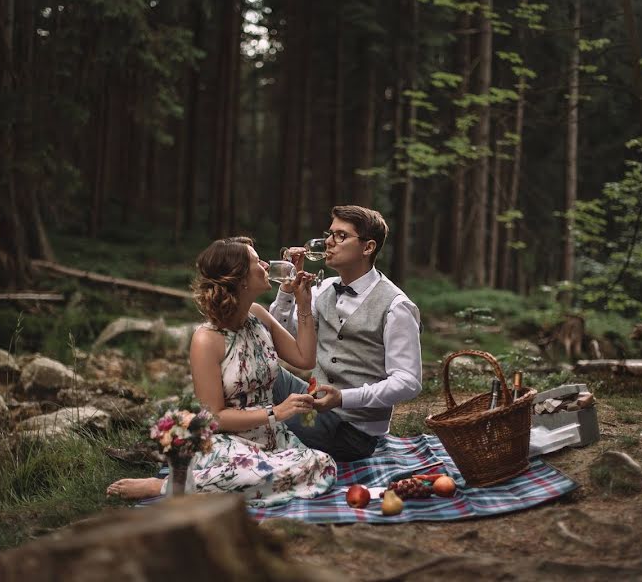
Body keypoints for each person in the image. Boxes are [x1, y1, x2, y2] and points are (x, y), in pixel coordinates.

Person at [106, 237, 336, 506]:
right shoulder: (207, 339)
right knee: (256, 471)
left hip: (275, 439)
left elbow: (304, 358)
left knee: (323, 464)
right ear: (240, 280)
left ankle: (216, 483)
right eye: (256, 261)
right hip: (229, 444)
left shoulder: (259, 315)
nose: (266, 265)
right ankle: (165, 485)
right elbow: (215, 417)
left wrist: (304, 303)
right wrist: (277, 412)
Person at [269, 205, 423, 462]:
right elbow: (282, 338)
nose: (329, 242)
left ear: (368, 247)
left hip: (354, 433)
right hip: (314, 410)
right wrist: (287, 290)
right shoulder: (324, 288)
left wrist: (343, 399)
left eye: (341, 236)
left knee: (266, 430)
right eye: (329, 234)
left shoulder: (397, 306)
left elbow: (408, 382)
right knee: (257, 368)